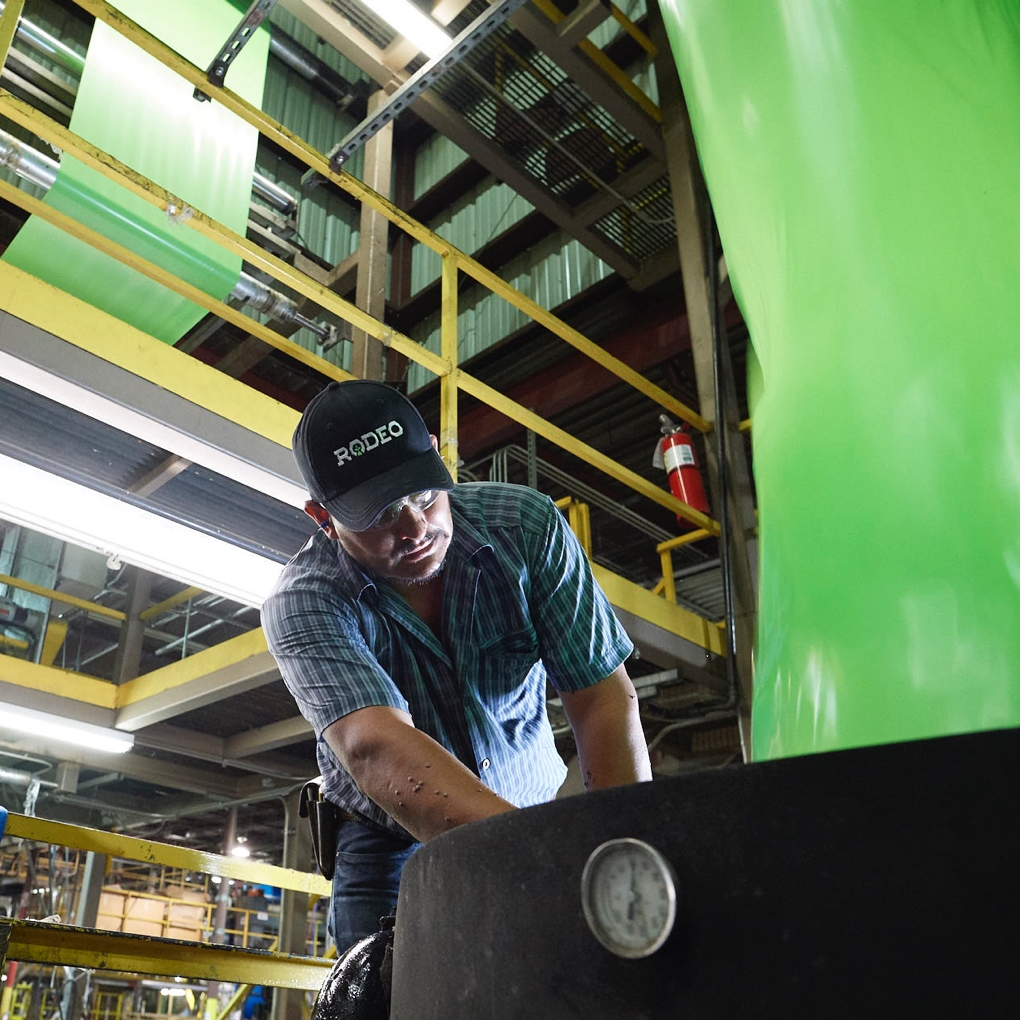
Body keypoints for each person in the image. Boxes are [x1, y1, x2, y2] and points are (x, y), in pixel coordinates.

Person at [262, 379, 652, 951]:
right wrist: (539, 862)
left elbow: (601, 699)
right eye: (381, 515)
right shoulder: (305, 600)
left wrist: (626, 850)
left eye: (424, 496)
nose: (416, 529)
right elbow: (377, 746)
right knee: (389, 999)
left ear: (439, 460)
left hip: (531, 804)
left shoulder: (526, 528)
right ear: (323, 517)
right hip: (387, 838)